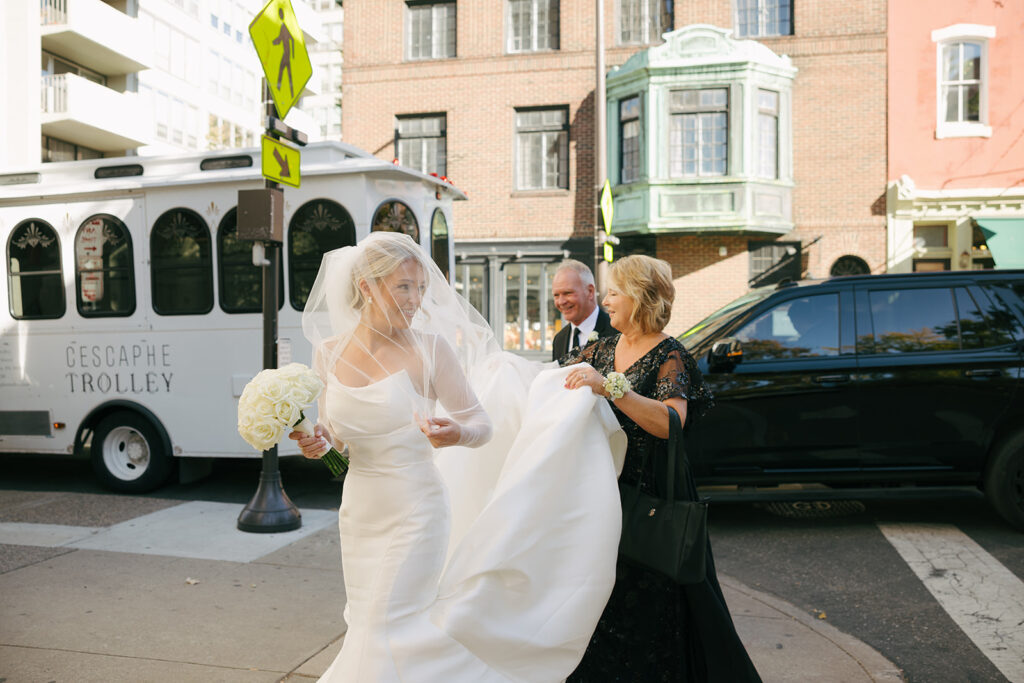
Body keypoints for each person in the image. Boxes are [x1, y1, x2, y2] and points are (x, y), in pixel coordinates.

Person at [289, 232, 626, 682]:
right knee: (371, 623)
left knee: (385, 623)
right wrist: (319, 443)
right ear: (367, 286)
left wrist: (457, 432)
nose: (415, 299)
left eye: (421, 288)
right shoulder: (329, 352)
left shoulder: (430, 349)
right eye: (403, 286)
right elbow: (335, 434)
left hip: (415, 510)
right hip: (359, 511)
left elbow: (481, 425)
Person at [562, 254, 761, 682]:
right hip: (605, 490)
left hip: (654, 490)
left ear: (639, 296)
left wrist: (611, 388)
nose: (608, 300)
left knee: (659, 600)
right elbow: (548, 385)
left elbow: (672, 423)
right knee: (603, 597)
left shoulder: (671, 354)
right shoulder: (600, 348)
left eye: (614, 292)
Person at [551, 259, 617, 361]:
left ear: (590, 292)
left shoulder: (616, 331)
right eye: (556, 295)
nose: (561, 302)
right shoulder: (559, 340)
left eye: (568, 293)